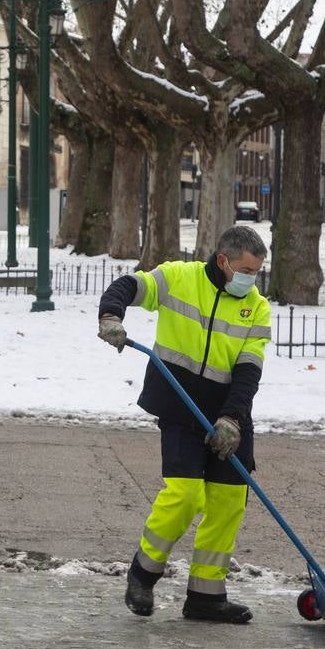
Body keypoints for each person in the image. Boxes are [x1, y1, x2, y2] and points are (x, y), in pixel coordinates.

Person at [97, 225, 271, 624]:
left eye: (258, 272)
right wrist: (111, 317)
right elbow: (127, 286)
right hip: (180, 406)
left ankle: (206, 597)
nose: (252, 279)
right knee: (186, 496)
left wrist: (232, 418)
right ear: (224, 261)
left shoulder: (257, 307)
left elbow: (248, 372)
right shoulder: (179, 278)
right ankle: (143, 575)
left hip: (228, 414)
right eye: (247, 270)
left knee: (229, 501)